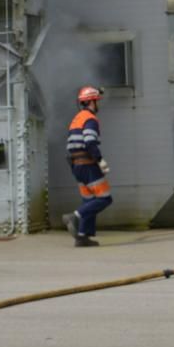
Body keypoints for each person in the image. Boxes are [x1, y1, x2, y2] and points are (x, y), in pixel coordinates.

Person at [62, 85, 112, 247]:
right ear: (91, 102)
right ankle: (74, 216)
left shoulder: (77, 118)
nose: (99, 105)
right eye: (97, 101)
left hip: (76, 166)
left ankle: (82, 236)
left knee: (89, 200)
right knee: (104, 199)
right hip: (88, 165)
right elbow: (89, 141)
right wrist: (100, 160)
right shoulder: (90, 119)